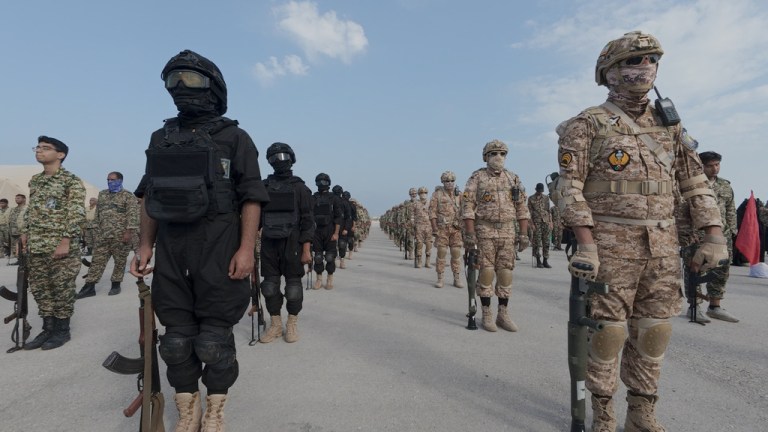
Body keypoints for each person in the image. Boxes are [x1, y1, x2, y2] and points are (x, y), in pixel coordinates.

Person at [555, 31, 727, 431]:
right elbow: (569, 187)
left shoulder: (670, 124)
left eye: (650, 60)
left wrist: (713, 232)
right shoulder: (586, 125)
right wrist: (586, 243)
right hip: (611, 246)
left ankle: (642, 410)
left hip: (663, 245)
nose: (644, 68)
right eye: (633, 61)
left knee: (654, 330)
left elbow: (693, 180)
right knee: (609, 333)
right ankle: (603, 411)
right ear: (608, 73)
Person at [131, 49, 269, 432]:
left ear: (214, 87)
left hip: (220, 245)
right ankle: (186, 408)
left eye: (190, 80)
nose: (180, 88)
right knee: (175, 340)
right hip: (173, 248)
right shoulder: (162, 137)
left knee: (212, 339)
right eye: (173, 80)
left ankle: (215, 409)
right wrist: (145, 246)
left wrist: (246, 250)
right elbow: (148, 196)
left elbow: (252, 198)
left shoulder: (235, 138)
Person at [21, 136, 85, 350]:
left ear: (60, 155)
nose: (39, 151)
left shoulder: (71, 181)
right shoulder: (36, 181)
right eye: (37, 147)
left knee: (62, 289)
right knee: (40, 289)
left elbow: (76, 213)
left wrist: (65, 241)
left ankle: (62, 331)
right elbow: (32, 210)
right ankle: (47, 329)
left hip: (60, 247)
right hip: (37, 246)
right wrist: (25, 233)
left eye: (45, 148)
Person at [462, 139, 530, 332]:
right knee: (486, 271)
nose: (498, 157)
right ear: (486, 157)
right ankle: (486, 312)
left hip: (508, 231)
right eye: (493, 154)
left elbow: (522, 207)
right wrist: (469, 233)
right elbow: (467, 206)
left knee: (506, 272)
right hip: (485, 230)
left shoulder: (513, 178)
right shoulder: (477, 178)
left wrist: (523, 233)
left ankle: (503, 313)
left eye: (502, 153)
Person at [258, 142, 314, 344]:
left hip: (293, 244)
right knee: (269, 288)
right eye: (274, 158)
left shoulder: (300, 188)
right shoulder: (263, 187)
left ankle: (291, 323)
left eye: (283, 156)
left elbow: (308, 221)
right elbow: (255, 220)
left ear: (291, 158)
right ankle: (275, 325)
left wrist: (306, 250)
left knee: (293, 289)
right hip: (269, 245)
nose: (279, 161)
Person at [688, 151, 739, 322]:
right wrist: (689, 234)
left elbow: (730, 209)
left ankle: (715, 306)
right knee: (694, 271)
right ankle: (694, 306)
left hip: (722, 237)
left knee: (721, 270)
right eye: (710, 165)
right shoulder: (692, 184)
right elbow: (684, 209)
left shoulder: (725, 186)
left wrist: (732, 231)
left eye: (717, 165)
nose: (714, 168)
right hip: (698, 236)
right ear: (701, 166)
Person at [75, 172, 139, 298]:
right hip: (103, 235)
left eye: (113, 179)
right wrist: (96, 230)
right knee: (97, 262)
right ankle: (89, 287)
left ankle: (116, 284)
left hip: (120, 236)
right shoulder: (102, 194)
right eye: (108, 180)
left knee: (119, 261)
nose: (110, 182)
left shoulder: (127, 196)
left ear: (120, 180)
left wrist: (128, 232)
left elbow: (132, 215)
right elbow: (97, 214)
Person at [429, 171, 464, 288]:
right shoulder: (437, 195)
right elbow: (432, 212)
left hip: (456, 229)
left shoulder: (459, 195)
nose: (449, 183)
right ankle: (440, 278)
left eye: (452, 181)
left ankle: (457, 278)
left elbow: (465, 211)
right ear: (443, 182)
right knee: (441, 253)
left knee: (456, 253)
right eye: (447, 181)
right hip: (442, 229)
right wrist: (434, 228)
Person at [310, 172, 343, 290]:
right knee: (318, 257)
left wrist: (336, 233)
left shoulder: (334, 198)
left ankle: (329, 279)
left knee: (330, 257)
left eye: (323, 182)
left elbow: (338, 217)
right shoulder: (313, 198)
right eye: (319, 182)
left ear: (328, 183)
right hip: (317, 231)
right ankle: (319, 279)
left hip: (330, 230)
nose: (321, 184)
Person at [528, 183, 553, 268]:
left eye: (541, 191)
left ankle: (545, 261)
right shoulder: (531, 198)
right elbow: (529, 213)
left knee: (546, 242)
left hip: (545, 222)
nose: (540, 192)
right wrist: (532, 224)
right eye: (539, 191)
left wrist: (550, 222)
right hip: (536, 223)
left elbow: (548, 211)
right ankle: (538, 261)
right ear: (536, 189)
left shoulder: (546, 198)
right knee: (537, 243)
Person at [413, 186, 432, 268]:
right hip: (419, 226)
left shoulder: (430, 203)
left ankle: (427, 262)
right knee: (419, 244)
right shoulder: (415, 203)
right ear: (419, 194)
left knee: (428, 244)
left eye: (425, 193)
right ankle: (419, 260)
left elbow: (434, 214)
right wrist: (412, 226)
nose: (423, 194)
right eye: (421, 193)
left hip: (429, 226)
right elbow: (411, 216)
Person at [8, 194, 27, 264]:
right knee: (15, 246)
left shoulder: (27, 208)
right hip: (14, 231)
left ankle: (25, 260)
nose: (16, 200)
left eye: (18, 198)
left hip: (24, 231)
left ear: (24, 199)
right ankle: (19, 259)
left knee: (24, 246)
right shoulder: (13, 209)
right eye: (16, 198)